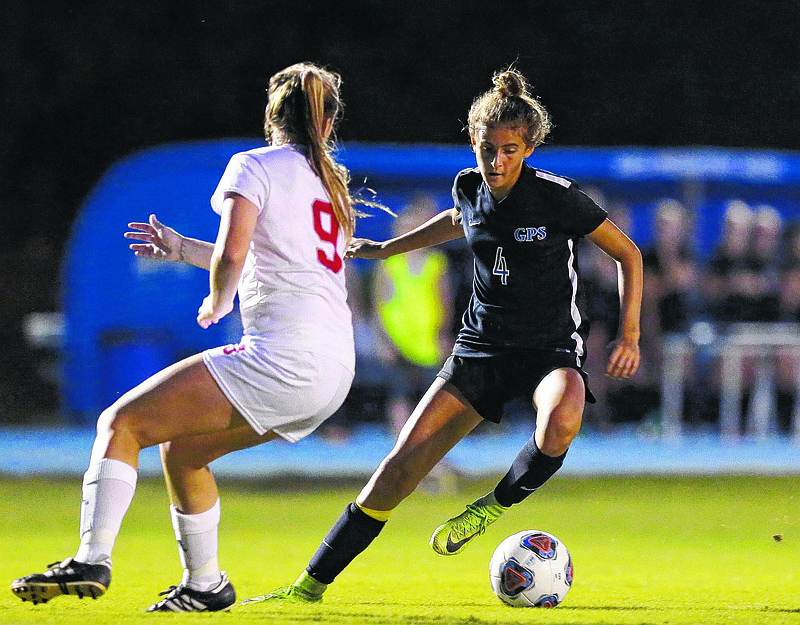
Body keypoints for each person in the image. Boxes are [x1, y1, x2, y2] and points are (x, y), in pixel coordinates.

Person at [244, 68, 642, 605]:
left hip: (549, 349)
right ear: (472, 143)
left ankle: (492, 506)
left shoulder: (558, 198)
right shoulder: (469, 186)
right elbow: (460, 218)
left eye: (509, 150)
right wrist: (388, 249)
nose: (496, 162)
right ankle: (307, 585)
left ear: (528, 148)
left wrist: (630, 335)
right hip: (480, 349)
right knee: (398, 469)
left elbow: (629, 255)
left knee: (562, 419)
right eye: (486, 148)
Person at [10, 62, 363, 612]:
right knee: (184, 455)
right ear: (329, 121)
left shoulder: (255, 164)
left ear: (273, 116)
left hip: (282, 360)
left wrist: (217, 299)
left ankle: (91, 558)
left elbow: (234, 253)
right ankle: (206, 586)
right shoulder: (331, 188)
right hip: (334, 371)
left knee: (120, 423)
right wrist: (182, 249)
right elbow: (271, 265)